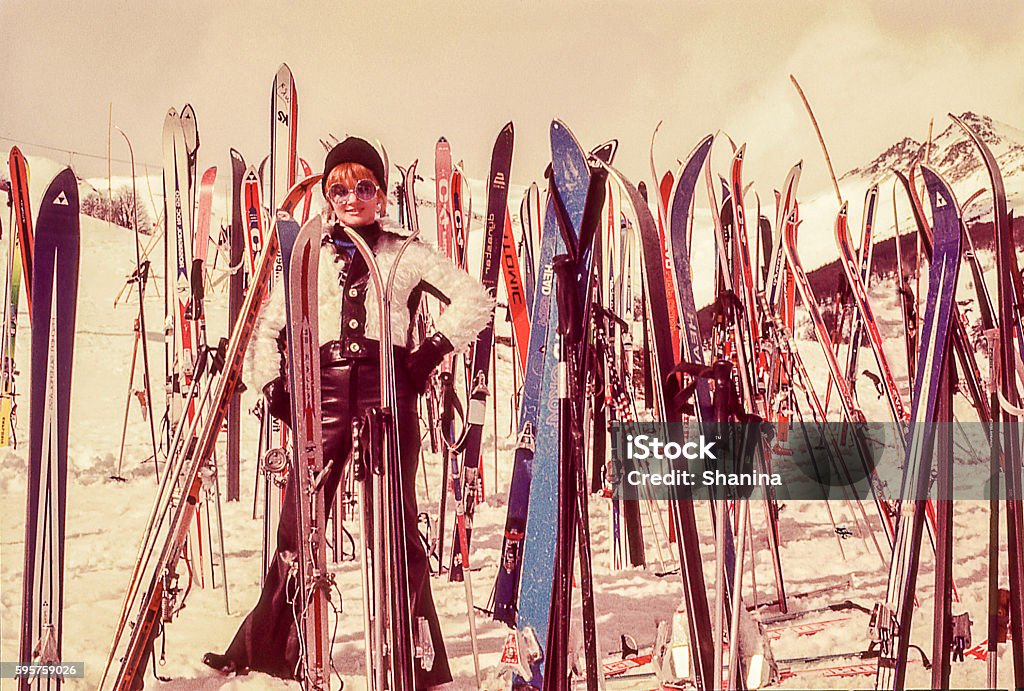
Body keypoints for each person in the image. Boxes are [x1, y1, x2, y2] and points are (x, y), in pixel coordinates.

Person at [203, 136, 492, 689]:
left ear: (380, 195)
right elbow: (268, 327)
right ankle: (267, 649)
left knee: (398, 521)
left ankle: (415, 656)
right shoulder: (307, 254)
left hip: (390, 390)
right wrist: (276, 388)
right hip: (325, 390)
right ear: (328, 196)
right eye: (339, 188)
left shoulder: (407, 252)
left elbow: (475, 300)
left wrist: (428, 353)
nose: (351, 197)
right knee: (301, 518)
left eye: (364, 187)